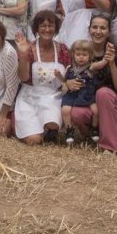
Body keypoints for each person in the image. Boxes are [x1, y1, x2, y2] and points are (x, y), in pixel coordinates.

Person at [69, 14, 117, 155]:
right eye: (94, 27)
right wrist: (69, 82)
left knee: (103, 93)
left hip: (114, 103)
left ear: (109, 31)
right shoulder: (81, 51)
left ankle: (111, 146)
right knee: (77, 113)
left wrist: (112, 63)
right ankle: (93, 136)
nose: (98, 31)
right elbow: (71, 74)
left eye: (103, 28)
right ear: (89, 29)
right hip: (89, 103)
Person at [14, 10, 71, 144]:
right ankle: (37, 131)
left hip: (53, 97)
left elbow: (69, 75)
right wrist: (22, 55)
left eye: (50, 25)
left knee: (52, 124)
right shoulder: (29, 48)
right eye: (43, 26)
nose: (47, 29)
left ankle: (50, 129)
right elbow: (23, 77)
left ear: (56, 28)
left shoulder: (62, 49)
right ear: (37, 29)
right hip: (30, 97)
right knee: (34, 140)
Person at [60, 40, 99, 145]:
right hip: (72, 94)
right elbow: (64, 81)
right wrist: (60, 76)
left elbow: (96, 82)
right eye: (78, 54)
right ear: (73, 55)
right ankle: (69, 130)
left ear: (90, 56)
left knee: (96, 110)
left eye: (84, 55)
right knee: (65, 110)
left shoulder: (91, 68)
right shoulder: (70, 68)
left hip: (87, 94)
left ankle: (95, 128)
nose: (81, 57)